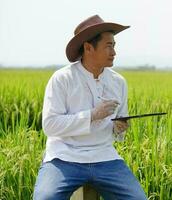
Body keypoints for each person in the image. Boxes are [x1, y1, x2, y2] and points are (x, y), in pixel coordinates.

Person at [33, 15, 147, 200]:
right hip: (64, 157)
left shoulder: (118, 82)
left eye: (114, 45)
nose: (114, 52)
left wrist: (119, 128)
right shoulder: (62, 79)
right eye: (108, 45)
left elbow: (119, 129)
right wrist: (93, 115)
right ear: (88, 47)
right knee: (45, 197)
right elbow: (50, 125)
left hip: (105, 157)